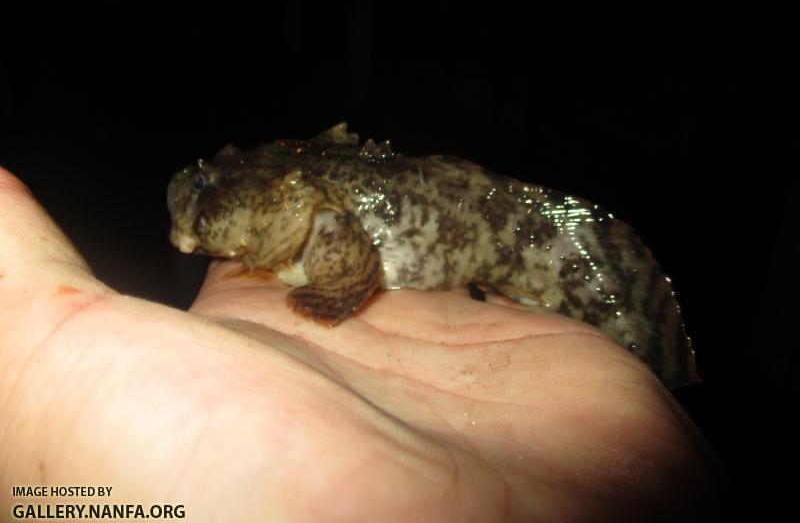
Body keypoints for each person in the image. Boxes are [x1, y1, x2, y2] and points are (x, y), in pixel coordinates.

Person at [0, 166, 720, 521]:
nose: (185, 234)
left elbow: (341, 250)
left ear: (284, 194)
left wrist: (332, 294)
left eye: (206, 208)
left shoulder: (304, 200)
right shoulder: (277, 197)